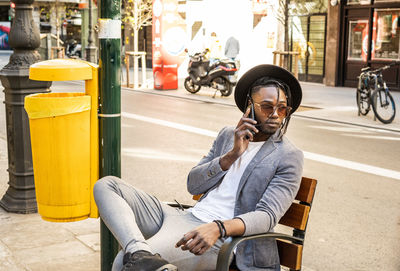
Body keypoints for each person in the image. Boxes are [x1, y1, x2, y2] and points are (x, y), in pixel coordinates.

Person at [93, 64, 304, 271]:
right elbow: (193, 185)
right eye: (267, 106)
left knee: (123, 262)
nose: (275, 114)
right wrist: (231, 155)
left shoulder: (288, 155)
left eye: (282, 108)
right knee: (107, 185)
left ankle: (139, 254)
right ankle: (139, 250)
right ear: (250, 106)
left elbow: (267, 216)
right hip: (184, 216)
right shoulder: (227, 136)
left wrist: (218, 228)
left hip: (221, 239)